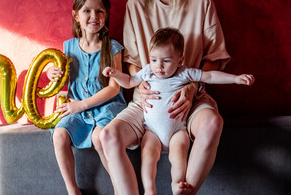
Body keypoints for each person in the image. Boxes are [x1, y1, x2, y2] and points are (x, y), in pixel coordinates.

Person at [99, 0, 232, 194]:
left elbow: (215, 58)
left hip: (188, 97)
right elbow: (131, 62)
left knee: (213, 123)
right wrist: (139, 85)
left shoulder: (201, 2)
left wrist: (191, 88)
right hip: (147, 99)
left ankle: (184, 191)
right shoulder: (135, 6)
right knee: (108, 136)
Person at [102, 27, 254, 194]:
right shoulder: (148, 71)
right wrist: (116, 74)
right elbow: (130, 81)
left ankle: (177, 184)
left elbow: (210, 76)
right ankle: (149, 189)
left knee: (178, 157)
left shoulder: (185, 73)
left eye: (166, 61)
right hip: (151, 130)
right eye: (153, 60)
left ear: (180, 61)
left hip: (177, 130)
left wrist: (236, 79)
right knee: (148, 157)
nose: (158, 66)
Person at [47, 0, 127, 195]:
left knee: (100, 138)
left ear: (106, 15)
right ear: (76, 15)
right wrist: (51, 72)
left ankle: (122, 189)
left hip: (106, 107)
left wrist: (81, 105)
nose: (94, 16)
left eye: (100, 11)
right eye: (87, 11)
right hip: (78, 110)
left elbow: (114, 88)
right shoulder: (68, 47)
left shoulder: (113, 48)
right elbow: (60, 75)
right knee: (59, 135)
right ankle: (73, 190)